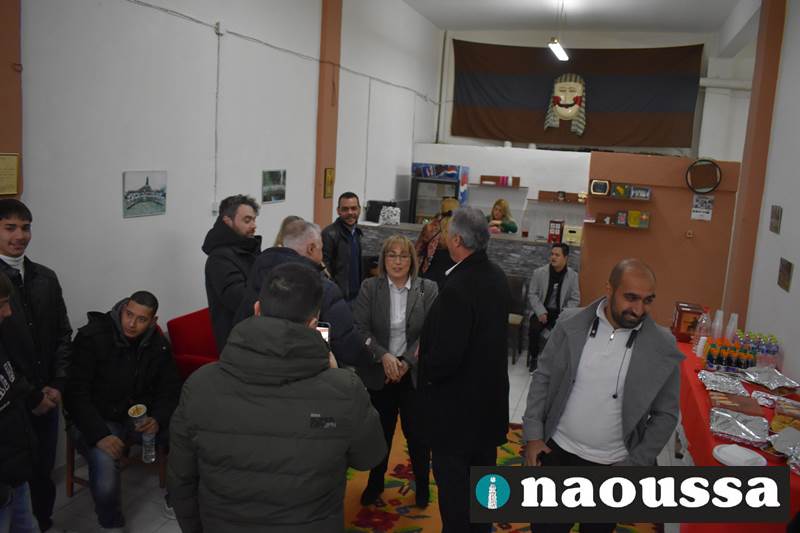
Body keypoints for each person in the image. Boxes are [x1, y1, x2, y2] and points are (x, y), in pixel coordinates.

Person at [168, 262, 386, 533]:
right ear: (313, 323)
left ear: (257, 309)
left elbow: (181, 481)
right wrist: (336, 379)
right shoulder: (344, 390)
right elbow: (369, 457)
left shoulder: (199, 385)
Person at [522, 259, 683, 533]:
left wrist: (637, 462)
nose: (638, 309)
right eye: (630, 297)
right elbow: (543, 377)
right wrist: (534, 435)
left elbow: (666, 414)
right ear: (609, 289)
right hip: (557, 454)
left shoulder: (662, 345)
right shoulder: (570, 323)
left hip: (612, 467)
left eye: (647, 300)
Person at [418, 207, 511, 533]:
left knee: (456, 503)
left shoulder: (458, 287)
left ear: (456, 240)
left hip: (458, 418)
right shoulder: (496, 276)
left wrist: (425, 361)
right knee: (482, 498)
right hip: (488, 408)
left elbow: (446, 358)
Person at [64, 291, 182, 531]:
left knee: (186, 433)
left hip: (137, 416)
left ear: (153, 321)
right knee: (105, 466)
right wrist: (99, 435)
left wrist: (158, 419)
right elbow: (75, 394)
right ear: (123, 308)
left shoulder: (158, 344)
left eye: (141, 319)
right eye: (129, 314)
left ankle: (178, 498)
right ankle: (111, 525)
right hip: (96, 419)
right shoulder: (92, 337)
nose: (132, 323)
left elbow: (170, 390)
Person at [0, 199, 71, 532]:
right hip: (13, 404)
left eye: (25, 227)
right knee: (16, 481)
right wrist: (32, 396)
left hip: (49, 396)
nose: (20, 236)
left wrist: (57, 384)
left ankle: (44, 523)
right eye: (10, 228)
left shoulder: (46, 277)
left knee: (43, 470)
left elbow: (62, 334)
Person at [353, 235, 438, 508]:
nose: (397, 261)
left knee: (418, 436)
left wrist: (406, 362)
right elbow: (360, 329)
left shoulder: (427, 288)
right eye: (392, 255)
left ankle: (422, 485)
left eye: (403, 255)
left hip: (413, 374)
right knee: (381, 433)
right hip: (381, 372)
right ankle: (375, 483)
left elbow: (431, 332)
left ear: (412, 260)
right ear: (384, 259)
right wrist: (384, 356)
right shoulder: (370, 287)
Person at [237, 219, 367, 367]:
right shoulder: (321, 286)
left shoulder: (259, 271)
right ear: (311, 248)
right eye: (321, 249)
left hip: (254, 364)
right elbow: (348, 344)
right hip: (301, 369)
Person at [0, 271, 41, 533]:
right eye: (1, 304)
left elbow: (11, 383)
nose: (8, 312)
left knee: (28, 526)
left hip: (15, 470)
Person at [203, 194, 261, 352]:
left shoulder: (248, 249)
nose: (254, 226)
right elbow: (241, 300)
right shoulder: (219, 259)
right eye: (247, 220)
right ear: (227, 221)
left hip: (254, 335)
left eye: (254, 220)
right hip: (238, 343)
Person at [526, 243, 580, 372]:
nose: (553, 257)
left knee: (561, 332)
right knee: (534, 329)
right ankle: (534, 358)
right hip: (542, 310)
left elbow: (575, 299)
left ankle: (553, 362)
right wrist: (540, 312)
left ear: (565, 258)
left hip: (560, 313)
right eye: (552, 254)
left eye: (557, 255)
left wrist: (563, 315)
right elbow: (532, 294)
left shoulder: (572, 276)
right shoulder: (539, 273)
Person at [322, 192, 363, 302]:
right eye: (345, 209)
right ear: (338, 211)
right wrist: (335, 294)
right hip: (339, 298)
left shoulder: (358, 233)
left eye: (353, 208)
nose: (350, 213)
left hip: (358, 296)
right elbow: (325, 270)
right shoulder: (329, 234)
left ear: (359, 210)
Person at [414, 197, 459, 290]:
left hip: (431, 272)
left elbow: (417, 250)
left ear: (441, 209)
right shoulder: (462, 230)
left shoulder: (430, 227)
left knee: (426, 296)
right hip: (453, 275)